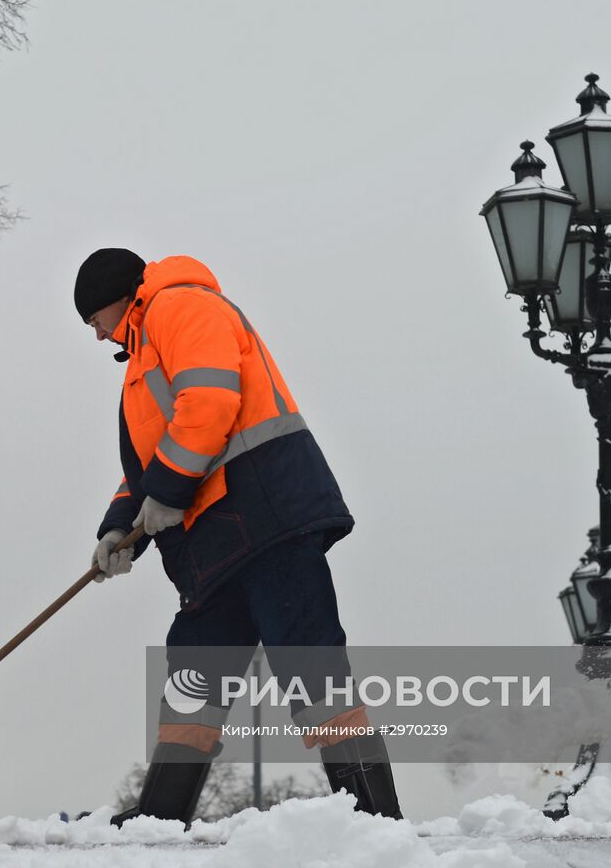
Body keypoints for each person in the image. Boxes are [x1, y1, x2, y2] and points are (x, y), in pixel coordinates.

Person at [74, 248, 402, 826]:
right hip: (218, 539)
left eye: (94, 322)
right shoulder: (145, 350)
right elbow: (151, 461)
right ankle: (160, 819)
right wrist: (118, 528)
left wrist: (169, 492)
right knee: (195, 667)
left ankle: (375, 822)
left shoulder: (180, 307)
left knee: (308, 657)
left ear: (116, 300)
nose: (98, 336)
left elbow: (210, 402)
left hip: (266, 516)